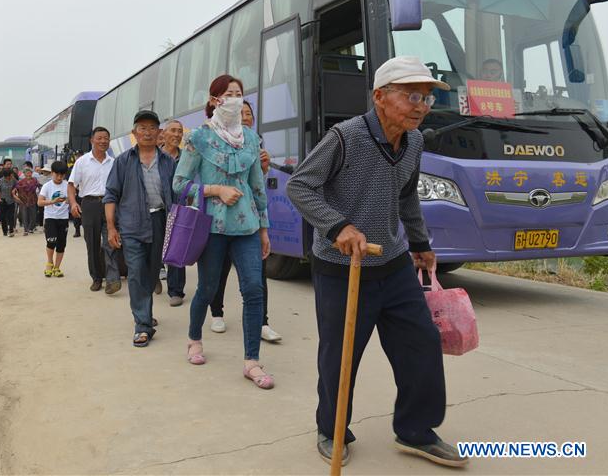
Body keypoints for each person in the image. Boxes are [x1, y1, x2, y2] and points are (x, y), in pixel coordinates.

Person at [286, 55, 464, 467]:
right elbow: (301, 187)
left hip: (395, 262)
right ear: (380, 97)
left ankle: (416, 430)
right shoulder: (344, 137)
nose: (421, 106)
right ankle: (331, 429)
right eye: (412, 96)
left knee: (420, 343)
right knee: (341, 353)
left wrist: (419, 241)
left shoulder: (414, 140)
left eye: (427, 98)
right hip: (341, 266)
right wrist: (338, 227)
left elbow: (406, 195)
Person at [173, 74, 273, 389]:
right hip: (211, 228)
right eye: (228, 94)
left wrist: (264, 229)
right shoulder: (198, 139)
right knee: (207, 288)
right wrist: (215, 189)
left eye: (239, 94)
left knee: (254, 290)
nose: (234, 99)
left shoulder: (251, 140)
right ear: (215, 99)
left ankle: (252, 362)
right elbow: (179, 187)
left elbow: (258, 187)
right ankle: (194, 339)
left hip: (246, 227)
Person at [209, 101, 282, 343]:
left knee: (256, 277)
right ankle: (216, 313)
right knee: (219, 270)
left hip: (250, 219)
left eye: (249, 114)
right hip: (223, 220)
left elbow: (256, 187)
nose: (246, 117)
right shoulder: (218, 143)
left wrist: (263, 168)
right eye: (241, 113)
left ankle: (262, 322)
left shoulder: (255, 143)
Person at [104, 110, 176, 347]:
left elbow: (178, 193)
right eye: (142, 128)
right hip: (132, 225)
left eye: (152, 127)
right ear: (134, 133)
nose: (147, 132)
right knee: (135, 273)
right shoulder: (123, 161)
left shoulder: (168, 162)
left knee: (153, 272)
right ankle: (142, 325)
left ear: (159, 132)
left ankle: (145, 313)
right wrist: (112, 227)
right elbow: (111, 195)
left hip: (160, 223)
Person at [68, 127, 120, 294]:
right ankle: (97, 278)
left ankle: (112, 279)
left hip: (109, 204)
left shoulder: (113, 163)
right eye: (99, 138)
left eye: (106, 138)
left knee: (110, 241)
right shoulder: (82, 162)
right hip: (89, 205)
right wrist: (74, 203)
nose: (103, 141)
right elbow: (71, 185)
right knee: (92, 243)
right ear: (92, 140)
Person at [160, 119, 186, 306]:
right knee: (154, 248)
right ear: (164, 133)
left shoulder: (187, 157)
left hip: (180, 209)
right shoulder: (156, 157)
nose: (177, 135)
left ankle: (176, 290)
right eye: (173, 131)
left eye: (180, 131)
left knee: (178, 247)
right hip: (157, 208)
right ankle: (154, 275)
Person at [39, 161, 71, 277]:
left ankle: (57, 268)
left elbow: (72, 199)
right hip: (50, 218)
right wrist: (52, 201)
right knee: (51, 241)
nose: (59, 177)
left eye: (62, 175)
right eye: (57, 174)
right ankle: (49, 262)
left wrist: (69, 201)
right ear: (52, 173)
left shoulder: (68, 185)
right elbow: (40, 202)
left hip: (63, 218)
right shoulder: (47, 186)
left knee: (61, 244)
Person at [15, 165, 40, 235]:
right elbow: (17, 188)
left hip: (33, 199)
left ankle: (31, 228)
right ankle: (26, 229)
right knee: (25, 215)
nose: (29, 174)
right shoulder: (21, 181)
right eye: (27, 173)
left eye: (30, 173)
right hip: (24, 200)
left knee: (34, 215)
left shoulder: (35, 180)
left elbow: (39, 186)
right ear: (24, 174)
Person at [0, 168, 18, 237]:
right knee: (3, 217)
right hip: (3, 201)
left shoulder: (13, 180)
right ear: (6, 176)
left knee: (11, 216)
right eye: (10, 175)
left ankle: (11, 230)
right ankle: (5, 231)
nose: (11, 176)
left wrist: (14, 189)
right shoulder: (0, 181)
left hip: (11, 201)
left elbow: (18, 184)